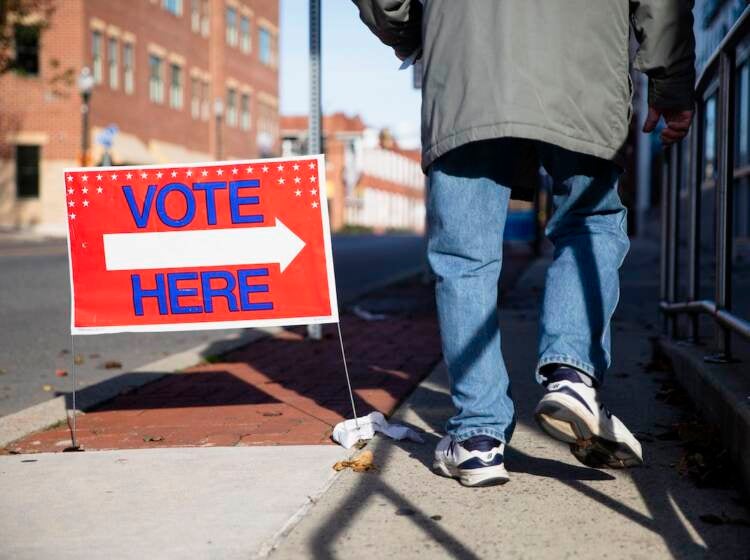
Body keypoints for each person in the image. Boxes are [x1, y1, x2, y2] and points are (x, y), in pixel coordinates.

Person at [353, 0, 696, 486]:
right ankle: (572, 375)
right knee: (588, 223)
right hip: (584, 69)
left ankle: (477, 438)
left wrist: (415, 30)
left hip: (467, 68)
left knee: (464, 258)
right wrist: (672, 81)